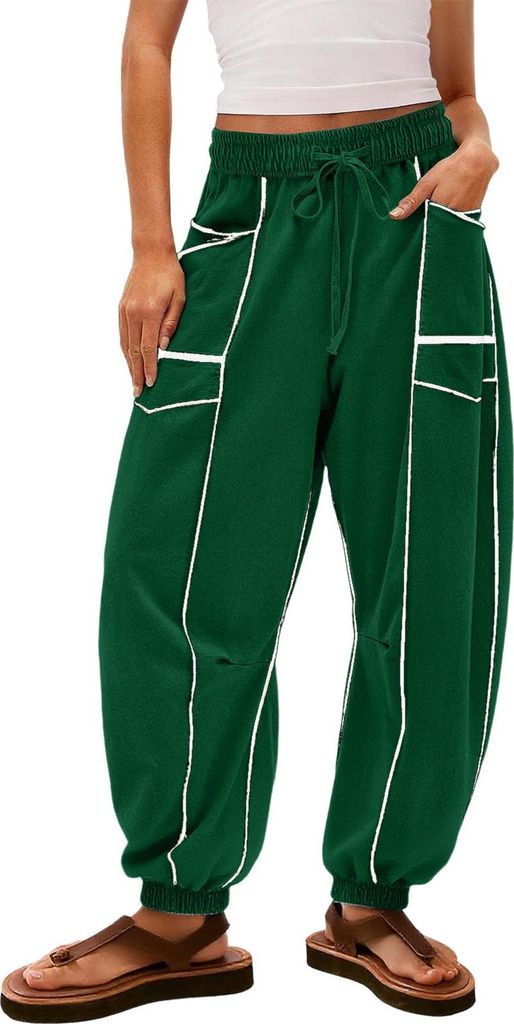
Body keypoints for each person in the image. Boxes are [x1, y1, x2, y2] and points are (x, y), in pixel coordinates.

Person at [2, 0, 511, 1018]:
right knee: (173, 565)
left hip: (417, 225)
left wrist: (479, 145)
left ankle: (373, 900)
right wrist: (152, 245)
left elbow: (456, 87)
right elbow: (148, 39)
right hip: (245, 216)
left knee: (432, 566)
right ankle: (179, 913)